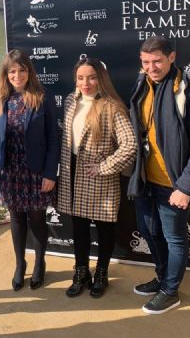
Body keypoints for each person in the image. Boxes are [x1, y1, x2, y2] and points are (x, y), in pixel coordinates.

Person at [128, 36, 190, 315]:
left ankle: (170, 291)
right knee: (149, 232)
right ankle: (162, 277)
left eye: (157, 61)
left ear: (171, 57)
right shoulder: (142, 85)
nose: (151, 67)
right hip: (146, 179)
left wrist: (185, 187)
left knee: (174, 238)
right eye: (146, 62)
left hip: (175, 184)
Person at [57, 57, 137, 298]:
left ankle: (101, 273)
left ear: (101, 78)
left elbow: (130, 144)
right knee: (79, 227)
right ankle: (81, 272)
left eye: (91, 77)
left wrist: (104, 167)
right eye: (80, 78)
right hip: (72, 174)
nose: (86, 83)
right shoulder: (71, 101)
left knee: (104, 228)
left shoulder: (111, 106)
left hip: (100, 178)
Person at [0, 49, 60, 292]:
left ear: (29, 71)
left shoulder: (42, 97)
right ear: (6, 74)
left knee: (37, 218)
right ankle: (20, 264)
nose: (17, 75)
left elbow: (53, 139)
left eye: (22, 70)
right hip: (10, 171)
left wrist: (50, 173)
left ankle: (40, 263)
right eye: (12, 71)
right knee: (16, 219)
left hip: (36, 171)